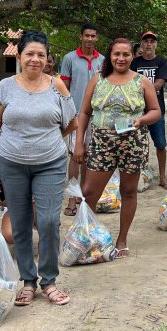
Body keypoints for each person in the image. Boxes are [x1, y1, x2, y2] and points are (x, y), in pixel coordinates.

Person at [0, 31, 77, 306]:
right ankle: (28, 281)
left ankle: (49, 281)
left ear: (47, 58)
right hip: (10, 164)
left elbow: (72, 122)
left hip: (51, 163)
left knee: (48, 222)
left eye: (41, 54)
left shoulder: (57, 86)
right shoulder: (5, 86)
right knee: (21, 224)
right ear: (19, 57)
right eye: (30, 54)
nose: (35, 59)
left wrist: (50, 141)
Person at [74, 38, 162, 257]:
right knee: (89, 193)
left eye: (126, 54)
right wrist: (78, 143)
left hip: (132, 144)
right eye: (116, 54)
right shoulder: (98, 80)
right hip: (101, 144)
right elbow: (84, 113)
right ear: (110, 56)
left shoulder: (141, 81)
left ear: (133, 56)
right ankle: (88, 237)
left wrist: (141, 121)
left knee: (129, 192)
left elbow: (155, 111)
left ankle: (122, 240)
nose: (121, 59)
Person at [60, 23, 104, 216]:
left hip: (96, 116)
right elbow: (64, 88)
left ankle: (84, 197)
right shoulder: (69, 58)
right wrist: (66, 114)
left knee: (90, 157)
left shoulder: (103, 60)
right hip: (76, 115)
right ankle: (71, 198)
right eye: (86, 35)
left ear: (97, 38)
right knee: (75, 156)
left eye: (93, 36)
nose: (89, 39)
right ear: (81, 37)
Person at [130, 31, 167, 189]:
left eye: (152, 41)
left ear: (156, 45)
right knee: (137, 145)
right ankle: (141, 177)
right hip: (136, 111)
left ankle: (162, 177)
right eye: (146, 41)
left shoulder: (161, 61)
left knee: (160, 144)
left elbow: (159, 83)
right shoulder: (134, 63)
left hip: (156, 111)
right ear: (141, 44)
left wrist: (141, 93)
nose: (149, 44)